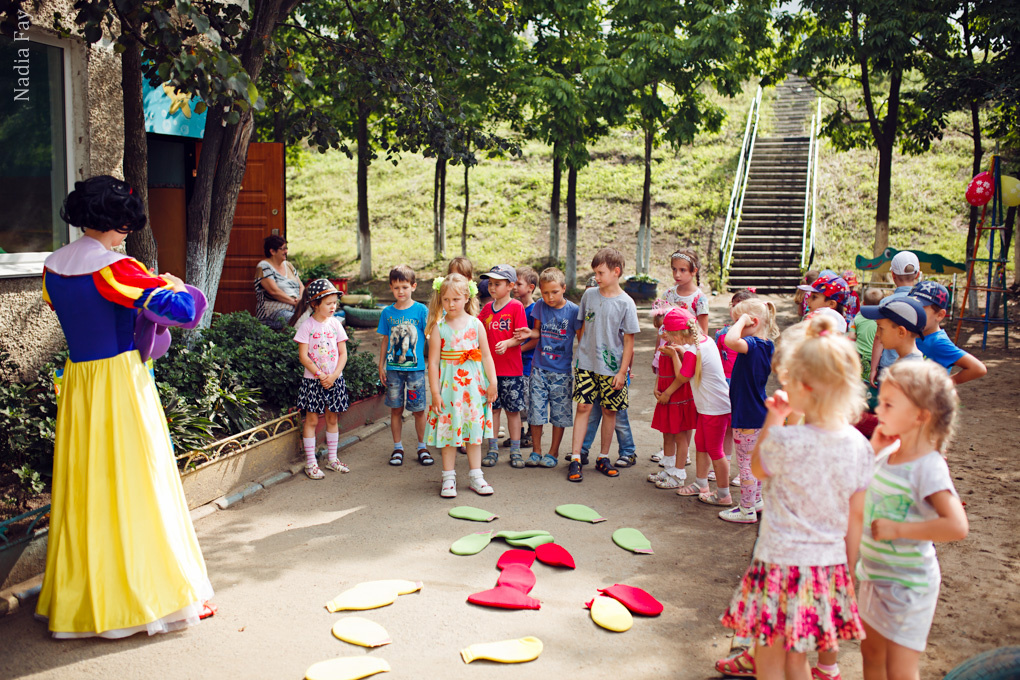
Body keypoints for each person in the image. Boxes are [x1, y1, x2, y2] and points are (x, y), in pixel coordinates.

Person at [37, 175, 214, 638]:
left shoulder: (52, 267)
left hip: (80, 383)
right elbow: (184, 312)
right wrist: (172, 283)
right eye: (125, 225)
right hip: (119, 382)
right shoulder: (116, 268)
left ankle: (85, 599)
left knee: (88, 484)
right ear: (116, 221)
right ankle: (148, 598)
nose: (126, 234)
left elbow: (73, 312)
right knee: (136, 479)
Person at [721, 314, 873, 680]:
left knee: (771, 656)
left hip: (780, 562)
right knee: (798, 657)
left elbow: (757, 469)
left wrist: (775, 418)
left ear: (803, 387)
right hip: (827, 565)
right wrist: (848, 569)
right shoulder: (859, 446)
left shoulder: (788, 439)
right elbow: (856, 517)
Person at [858, 360, 968, 680]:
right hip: (874, 578)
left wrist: (899, 529)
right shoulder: (887, 450)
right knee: (871, 656)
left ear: (920, 416)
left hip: (908, 587)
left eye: (888, 404)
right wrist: (872, 451)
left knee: (900, 670)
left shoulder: (928, 466)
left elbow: (956, 525)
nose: (877, 409)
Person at [568, 248, 640, 482]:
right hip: (586, 365)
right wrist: (584, 354)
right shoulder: (589, 295)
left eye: (600, 273)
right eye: (595, 273)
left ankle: (603, 457)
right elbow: (581, 327)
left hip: (612, 369)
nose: (596, 277)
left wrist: (622, 372)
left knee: (610, 411)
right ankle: (576, 458)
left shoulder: (626, 303)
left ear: (616, 271)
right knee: (582, 408)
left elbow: (629, 342)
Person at [424, 273, 498, 498]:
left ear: (467, 297)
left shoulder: (476, 324)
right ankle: (448, 477)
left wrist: (493, 382)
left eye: (455, 299)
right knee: (449, 432)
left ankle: (476, 476)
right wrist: (435, 393)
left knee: (473, 431)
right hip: (449, 390)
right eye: (446, 299)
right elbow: (433, 362)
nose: (450, 304)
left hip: (473, 388)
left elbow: (486, 356)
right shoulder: (439, 327)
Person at [716, 297, 779, 523]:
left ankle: (746, 509)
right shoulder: (766, 345)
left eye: (739, 322)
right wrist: (743, 319)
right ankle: (757, 501)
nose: (736, 327)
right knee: (755, 462)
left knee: (746, 466)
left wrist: (742, 319)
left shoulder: (751, 345)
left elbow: (729, 340)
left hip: (747, 416)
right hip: (758, 413)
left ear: (753, 322)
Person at [660, 308, 733, 505]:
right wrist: (682, 351)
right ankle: (701, 484)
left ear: (677, 336)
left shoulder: (694, 351)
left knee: (715, 451)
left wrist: (674, 355)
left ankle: (724, 495)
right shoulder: (705, 341)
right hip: (708, 407)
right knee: (701, 444)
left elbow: (682, 376)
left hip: (714, 409)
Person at [513, 267, 580, 467]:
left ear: (564, 288)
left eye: (555, 292)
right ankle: (536, 451)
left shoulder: (574, 311)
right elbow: (537, 331)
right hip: (539, 368)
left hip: (562, 371)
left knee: (560, 414)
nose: (550, 297)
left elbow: (582, 339)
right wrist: (529, 333)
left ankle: (553, 453)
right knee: (536, 411)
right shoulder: (540, 306)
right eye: (545, 293)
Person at [293, 279, 351, 479]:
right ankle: (311, 463)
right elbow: (303, 356)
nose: (333, 307)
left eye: (335, 303)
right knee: (311, 420)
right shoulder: (307, 326)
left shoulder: (336, 324)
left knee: (332, 418)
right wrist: (320, 375)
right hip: (313, 381)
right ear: (315, 304)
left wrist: (333, 376)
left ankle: (332, 459)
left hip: (334, 380)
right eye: (328, 303)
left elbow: (343, 354)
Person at [377, 265, 431, 466]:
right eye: (396, 287)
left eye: (405, 287)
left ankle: (422, 447)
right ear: (391, 288)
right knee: (396, 409)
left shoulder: (421, 310)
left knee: (418, 410)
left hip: (416, 370)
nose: (401, 291)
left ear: (413, 286)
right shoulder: (387, 313)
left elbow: (430, 336)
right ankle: (397, 448)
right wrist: (381, 365)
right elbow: (385, 340)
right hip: (393, 371)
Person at [479, 265, 529, 468]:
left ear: (510, 286)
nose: (492, 287)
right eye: (490, 283)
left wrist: (508, 343)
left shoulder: (516, 307)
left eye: (497, 284)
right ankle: (492, 449)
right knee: (493, 410)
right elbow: (476, 330)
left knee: (513, 412)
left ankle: (516, 450)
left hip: (512, 370)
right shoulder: (486, 309)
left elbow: (522, 336)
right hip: (490, 372)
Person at [647, 301, 697, 490]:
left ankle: (678, 473)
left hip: (678, 397)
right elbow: (660, 370)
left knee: (680, 437)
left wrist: (674, 355)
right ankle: (668, 469)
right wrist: (656, 387)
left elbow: (682, 375)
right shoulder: (666, 346)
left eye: (666, 330)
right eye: (661, 330)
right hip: (665, 396)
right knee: (667, 434)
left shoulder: (684, 350)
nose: (662, 333)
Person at [909, 281, 987, 385]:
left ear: (940, 315)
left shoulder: (938, 343)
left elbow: (977, 369)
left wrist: (944, 384)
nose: (914, 314)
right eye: (912, 308)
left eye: (921, 310)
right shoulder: (912, 332)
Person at [871, 251, 922, 376]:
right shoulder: (922, 302)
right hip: (915, 366)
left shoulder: (886, 302)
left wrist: (873, 369)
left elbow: (878, 337)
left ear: (893, 274)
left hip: (889, 367)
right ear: (917, 274)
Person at [514, 266, 539, 448]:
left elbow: (536, 339)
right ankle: (518, 432)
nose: (514, 287)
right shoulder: (514, 307)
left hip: (528, 363)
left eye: (519, 284)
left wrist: (518, 350)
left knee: (528, 399)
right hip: (514, 363)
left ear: (530, 287)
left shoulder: (534, 309)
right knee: (516, 399)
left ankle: (531, 433)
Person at [254, 235, 304, 328]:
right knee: (299, 322)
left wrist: (301, 300)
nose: (286, 251)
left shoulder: (288, 265)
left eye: (286, 248)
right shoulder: (264, 266)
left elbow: (301, 286)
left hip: (296, 307)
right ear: (272, 251)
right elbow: (274, 291)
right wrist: (295, 303)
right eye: (283, 249)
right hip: (274, 311)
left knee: (319, 316)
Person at [663, 247, 709, 334]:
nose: (677, 275)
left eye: (682, 270)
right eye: (674, 269)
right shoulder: (668, 294)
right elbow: (661, 327)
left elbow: (703, 332)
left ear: (694, 271)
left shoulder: (700, 299)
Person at [850, 287, 884, 383]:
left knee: (859, 381)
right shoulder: (883, 320)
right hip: (876, 358)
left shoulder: (858, 316)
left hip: (859, 356)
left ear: (864, 303)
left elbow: (851, 336)